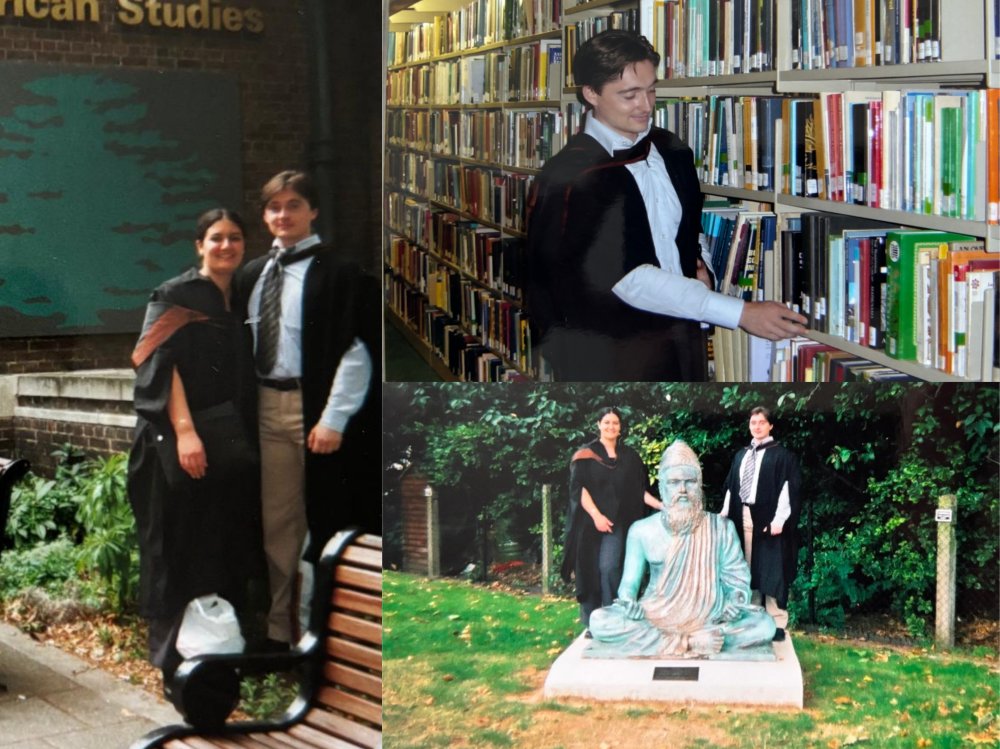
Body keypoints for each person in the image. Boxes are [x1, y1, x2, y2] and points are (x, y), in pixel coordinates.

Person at [527, 30, 807, 382]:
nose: (646, 106)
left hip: (679, 336)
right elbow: (627, 278)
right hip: (613, 352)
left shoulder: (670, 149)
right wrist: (739, 313)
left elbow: (688, 227)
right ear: (591, 94)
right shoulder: (573, 175)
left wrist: (700, 263)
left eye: (651, 89)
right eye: (629, 95)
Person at [238, 170, 379, 651]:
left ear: (313, 210)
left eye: (294, 204)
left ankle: (331, 631)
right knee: (278, 525)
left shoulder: (341, 273)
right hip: (265, 407)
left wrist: (333, 419)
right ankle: (284, 631)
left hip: (314, 411)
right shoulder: (252, 274)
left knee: (327, 518)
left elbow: (358, 351)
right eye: (274, 207)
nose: (283, 215)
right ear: (265, 215)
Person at [128, 209, 261, 685]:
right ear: (198, 244)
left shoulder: (241, 296)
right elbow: (157, 362)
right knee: (176, 548)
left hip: (226, 443)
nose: (226, 246)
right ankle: (174, 667)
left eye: (236, 238)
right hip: (175, 443)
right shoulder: (175, 294)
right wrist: (186, 432)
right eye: (216, 238)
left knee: (219, 547)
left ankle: (218, 661)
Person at [589, 440, 775, 657]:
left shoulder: (721, 528)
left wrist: (735, 601)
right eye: (674, 482)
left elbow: (737, 580)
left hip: (711, 616)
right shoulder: (641, 531)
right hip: (657, 614)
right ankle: (692, 643)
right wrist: (629, 601)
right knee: (600, 621)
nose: (683, 490)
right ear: (661, 488)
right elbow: (628, 585)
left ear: (700, 485)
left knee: (764, 625)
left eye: (690, 481)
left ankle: (675, 642)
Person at [560, 407, 661, 633]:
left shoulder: (630, 457)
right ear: (598, 425)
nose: (611, 426)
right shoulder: (585, 455)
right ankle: (591, 624)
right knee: (588, 570)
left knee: (609, 567)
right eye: (607, 422)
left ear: (620, 427)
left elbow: (639, 491)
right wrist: (596, 515)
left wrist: (661, 505)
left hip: (615, 524)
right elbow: (579, 490)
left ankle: (615, 616)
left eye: (615, 423)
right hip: (589, 524)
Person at [719, 406, 802, 642]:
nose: (757, 426)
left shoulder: (782, 456)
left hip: (769, 520)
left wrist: (779, 521)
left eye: (761, 422)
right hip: (742, 515)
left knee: (772, 568)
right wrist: (725, 511)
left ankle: (776, 622)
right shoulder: (741, 455)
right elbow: (731, 485)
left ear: (770, 426)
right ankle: (753, 616)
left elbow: (788, 490)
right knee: (746, 566)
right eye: (753, 422)